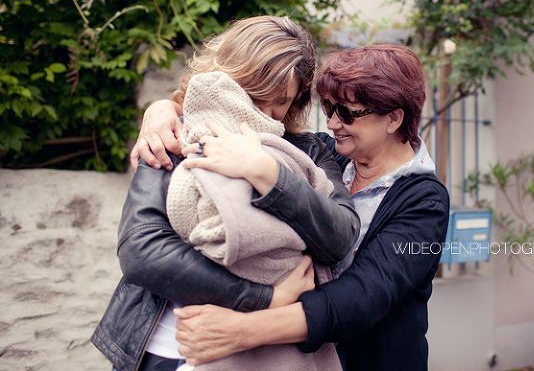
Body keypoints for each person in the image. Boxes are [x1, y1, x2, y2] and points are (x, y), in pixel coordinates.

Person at [135, 44, 451, 371]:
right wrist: (161, 110)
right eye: (328, 107)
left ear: (394, 119)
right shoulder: (328, 155)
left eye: (346, 113)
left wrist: (240, 331)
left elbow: (362, 297)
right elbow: (237, 109)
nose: (331, 123)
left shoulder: (425, 202)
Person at [91, 16, 360, 371]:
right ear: (231, 76)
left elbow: (339, 235)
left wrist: (270, 174)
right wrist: (266, 297)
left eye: (281, 100)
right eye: (255, 93)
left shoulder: (306, 152)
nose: (264, 111)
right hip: (164, 351)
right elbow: (141, 250)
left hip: (267, 359)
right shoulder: (175, 135)